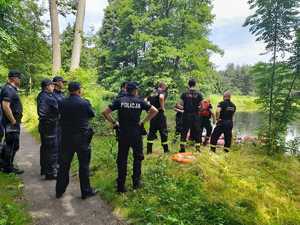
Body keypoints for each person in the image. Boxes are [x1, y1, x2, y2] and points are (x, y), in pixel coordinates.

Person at [102, 82, 158, 193]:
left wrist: (114, 122)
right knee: (138, 158)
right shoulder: (140, 101)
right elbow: (154, 111)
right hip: (136, 134)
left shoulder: (120, 100)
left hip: (123, 133)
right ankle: (136, 183)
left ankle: (120, 186)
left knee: (122, 159)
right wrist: (143, 121)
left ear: (126, 90)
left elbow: (105, 112)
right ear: (135, 90)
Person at [56, 82, 97, 199]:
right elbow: (91, 114)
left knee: (64, 165)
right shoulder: (84, 102)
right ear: (79, 90)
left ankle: (59, 190)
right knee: (84, 165)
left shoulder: (62, 102)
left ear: (69, 90)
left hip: (66, 138)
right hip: (82, 138)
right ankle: (86, 191)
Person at [0, 70, 23, 174]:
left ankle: (6, 164)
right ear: (14, 78)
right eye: (19, 78)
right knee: (11, 144)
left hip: (12, 123)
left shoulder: (11, 89)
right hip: (11, 123)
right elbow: (5, 106)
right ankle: (8, 168)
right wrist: (13, 121)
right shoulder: (8, 89)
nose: (20, 80)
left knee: (12, 144)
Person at [37, 79, 59, 179]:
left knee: (46, 149)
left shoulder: (43, 95)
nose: (53, 87)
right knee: (51, 149)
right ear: (47, 86)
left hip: (46, 126)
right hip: (49, 127)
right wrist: (51, 121)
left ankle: (45, 170)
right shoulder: (46, 97)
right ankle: (50, 173)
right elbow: (42, 113)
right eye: (52, 85)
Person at [177, 79, 203, 153]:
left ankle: (182, 149)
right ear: (195, 85)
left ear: (188, 85)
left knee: (184, 131)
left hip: (186, 115)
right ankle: (197, 149)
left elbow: (180, 105)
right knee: (197, 131)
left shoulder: (184, 94)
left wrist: (183, 107)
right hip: (195, 115)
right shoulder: (199, 94)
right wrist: (198, 111)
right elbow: (202, 107)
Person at [146, 82, 169, 154]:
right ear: (163, 86)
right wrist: (162, 107)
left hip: (153, 115)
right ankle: (166, 150)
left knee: (152, 132)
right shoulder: (161, 91)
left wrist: (149, 109)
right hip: (159, 114)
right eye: (165, 87)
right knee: (163, 132)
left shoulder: (153, 93)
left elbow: (145, 100)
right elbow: (161, 97)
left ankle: (149, 150)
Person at [52, 76, 67, 163]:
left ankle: (59, 162)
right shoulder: (52, 94)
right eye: (62, 82)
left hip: (63, 123)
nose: (63, 84)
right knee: (55, 144)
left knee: (61, 144)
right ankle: (54, 165)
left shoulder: (62, 94)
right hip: (56, 123)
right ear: (56, 83)